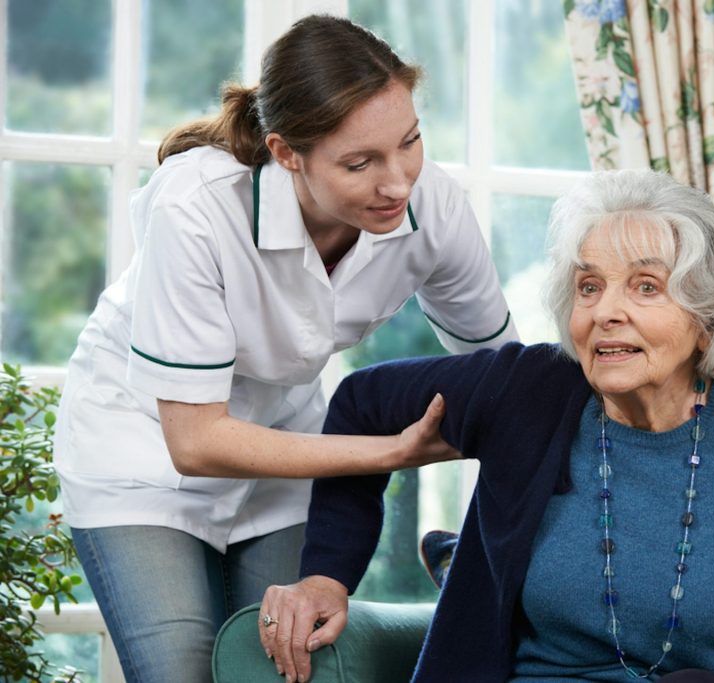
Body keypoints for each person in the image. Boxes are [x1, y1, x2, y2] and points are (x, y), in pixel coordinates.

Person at [260, 168, 714, 683]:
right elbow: (356, 403)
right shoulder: (527, 389)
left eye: (646, 286)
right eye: (589, 286)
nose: (606, 311)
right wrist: (327, 573)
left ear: (706, 317)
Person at [52, 14, 517, 683]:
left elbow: (501, 371)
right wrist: (386, 452)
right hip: (143, 452)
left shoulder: (431, 208)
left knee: (277, 670)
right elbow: (195, 438)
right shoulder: (196, 204)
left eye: (409, 142)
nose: (398, 183)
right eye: (360, 163)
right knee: (183, 672)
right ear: (287, 151)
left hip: (282, 453)